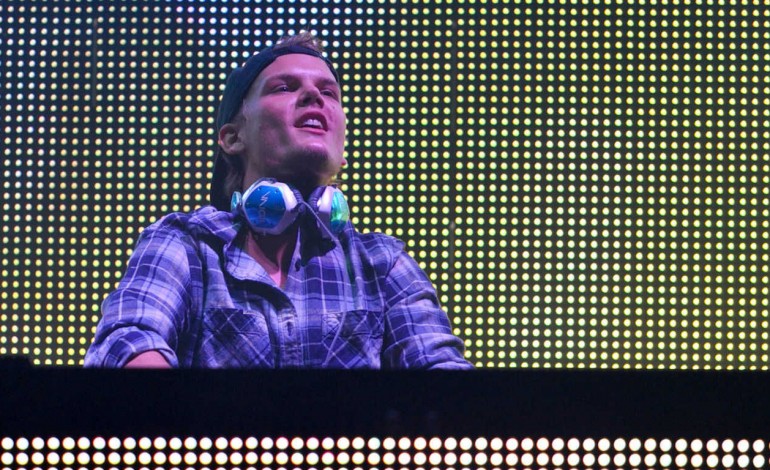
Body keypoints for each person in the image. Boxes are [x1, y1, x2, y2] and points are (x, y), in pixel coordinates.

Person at [84, 32, 472, 369]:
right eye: (284, 87)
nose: (314, 96)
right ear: (232, 138)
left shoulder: (382, 263)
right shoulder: (187, 243)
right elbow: (128, 341)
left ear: (342, 150)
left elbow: (443, 375)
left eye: (329, 93)